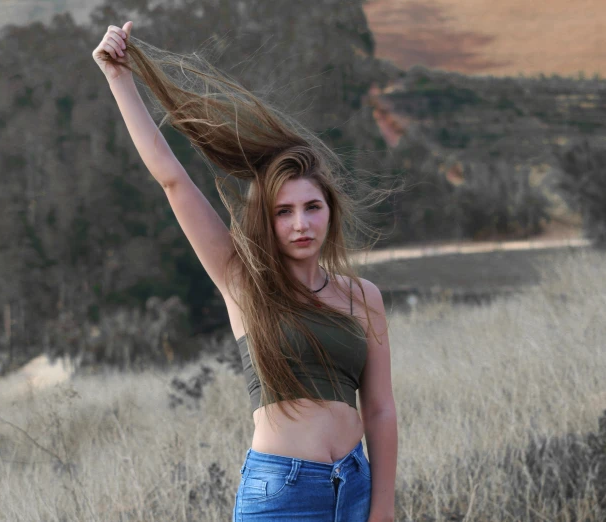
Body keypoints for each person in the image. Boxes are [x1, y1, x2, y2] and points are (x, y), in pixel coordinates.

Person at [92, 21, 398, 522]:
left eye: (312, 207)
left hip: (356, 487)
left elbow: (381, 408)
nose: (301, 224)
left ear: (330, 212)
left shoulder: (363, 297)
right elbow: (172, 179)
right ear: (266, 220)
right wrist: (119, 79)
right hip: (284, 492)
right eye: (283, 212)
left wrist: (382, 506)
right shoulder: (242, 280)